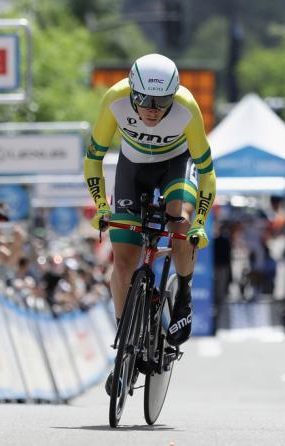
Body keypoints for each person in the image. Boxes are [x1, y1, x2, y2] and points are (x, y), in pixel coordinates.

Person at [83, 53, 216, 391]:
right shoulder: (114, 99)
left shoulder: (187, 107)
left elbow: (207, 173)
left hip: (176, 165)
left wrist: (199, 221)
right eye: (144, 100)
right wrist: (101, 206)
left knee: (180, 224)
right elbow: (93, 159)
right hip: (133, 169)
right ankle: (124, 344)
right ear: (132, 93)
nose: (153, 109)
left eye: (162, 102)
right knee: (123, 259)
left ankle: (184, 294)